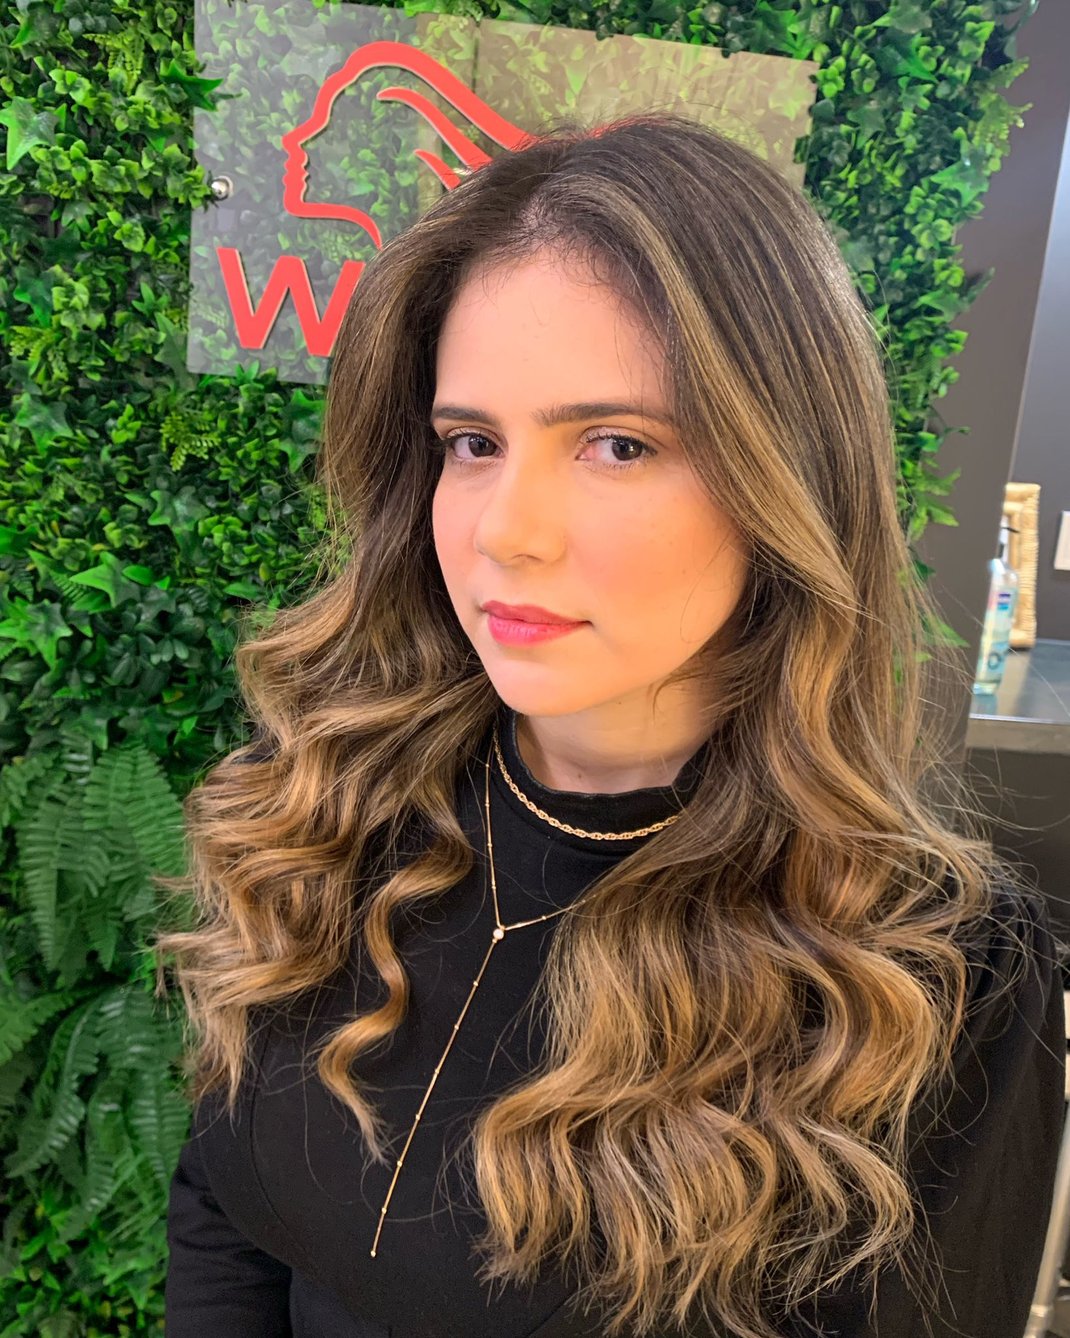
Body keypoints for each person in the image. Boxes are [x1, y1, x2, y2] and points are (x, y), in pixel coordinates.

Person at [153, 112, 1066, 1338]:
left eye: (616, 445)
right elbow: (222, 1205)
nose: (504, 530)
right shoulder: (323, 807)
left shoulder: (929, 974)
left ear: (784, 480)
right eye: (471, 443)